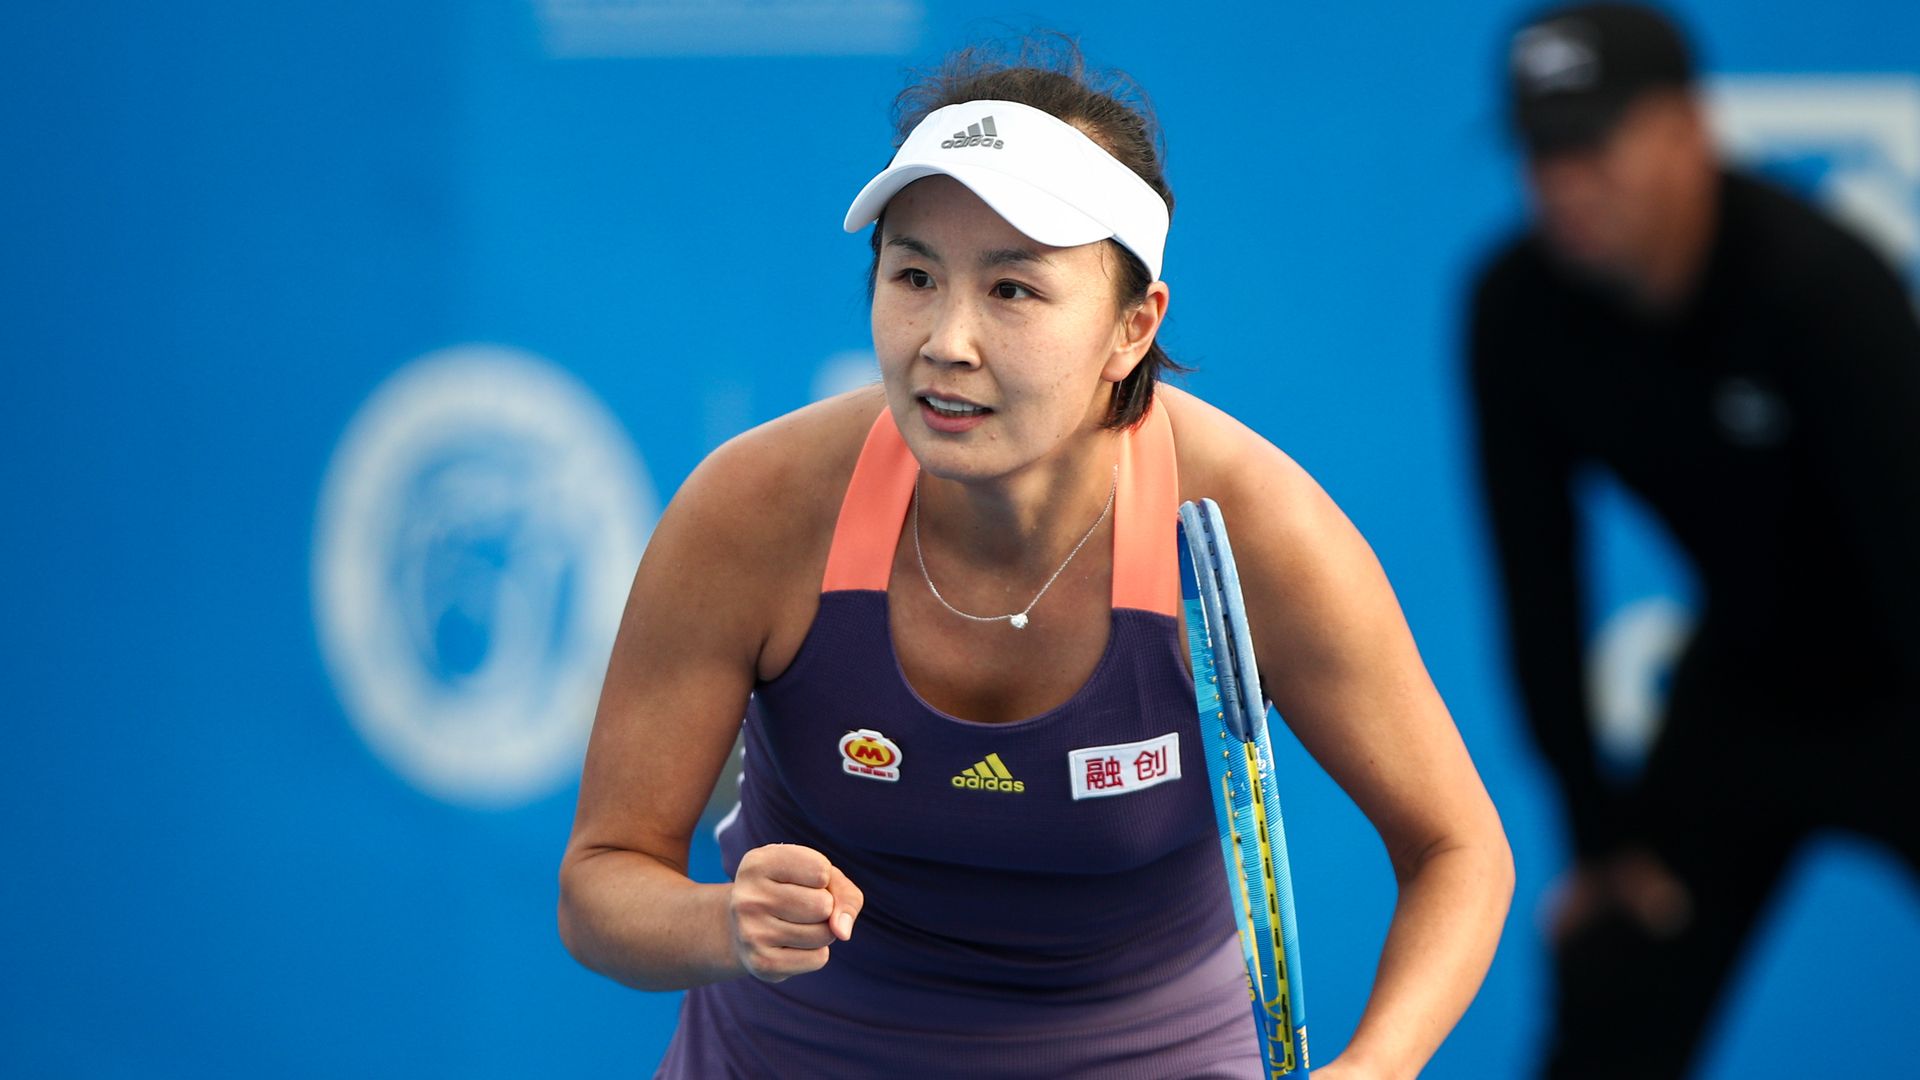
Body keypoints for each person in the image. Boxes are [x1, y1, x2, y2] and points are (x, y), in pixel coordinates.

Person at [560, 37, 1513, 1078]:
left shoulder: (1253, 531)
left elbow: (1458, 854)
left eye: (1013, 291)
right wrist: (721, 923)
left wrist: (1373, 1069)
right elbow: (603, 885)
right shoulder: (757, 511)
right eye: (914, 274)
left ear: (1132, 327)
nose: (946, 340)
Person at [1467, 4, 1920, 1077]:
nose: (1563, 182)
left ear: (1687, 133)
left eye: (1593, 144)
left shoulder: (1825, 291)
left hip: (1910, 687)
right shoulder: (1514, 311)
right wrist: (1600, 836)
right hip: (1745, 695)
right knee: (1616, 969)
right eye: (1540, 150)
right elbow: (1539, 583)